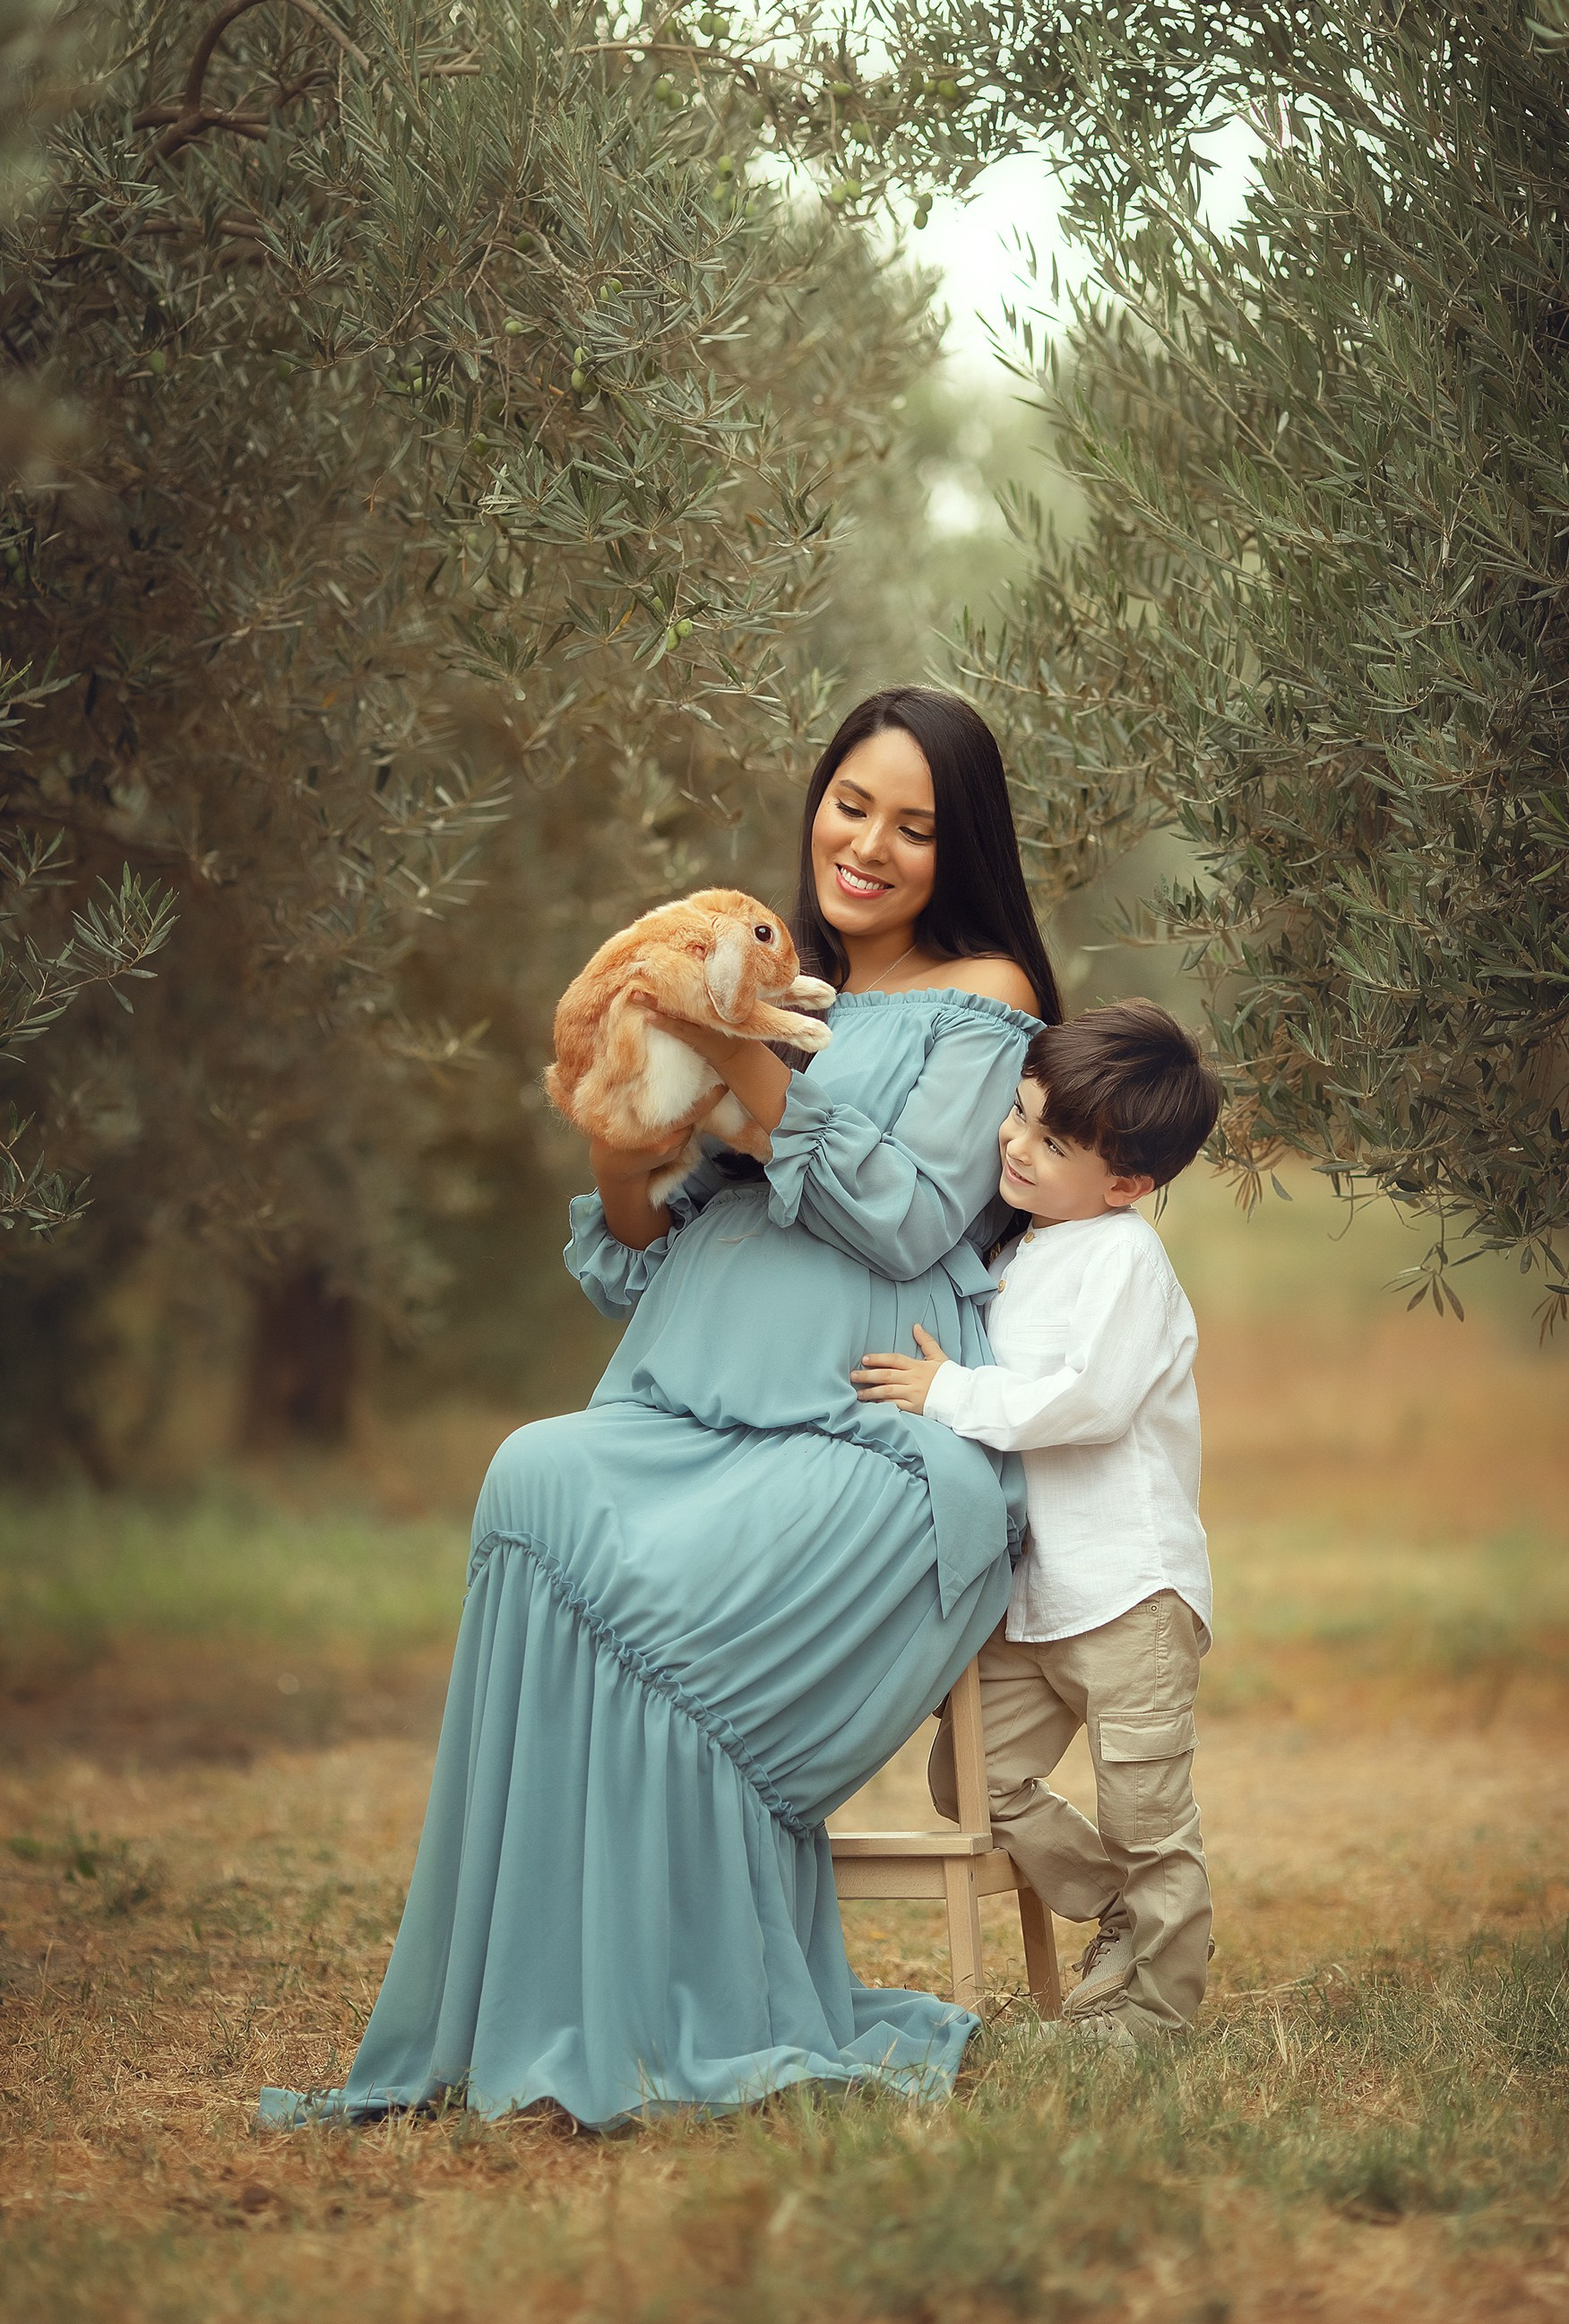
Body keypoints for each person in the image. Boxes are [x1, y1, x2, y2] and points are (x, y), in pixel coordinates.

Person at [259, 687, 1061, 2132]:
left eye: (915, 825)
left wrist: (749, 1059)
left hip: (869, 1430)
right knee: (534, 1476)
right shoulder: (769, 973)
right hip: (686, 1404)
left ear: (963, 848)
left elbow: (902, 1217)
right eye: (850, 803)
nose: (868, 845)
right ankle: (546, 1985)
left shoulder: (984, 997)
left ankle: (683, 1998)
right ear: (814, 800)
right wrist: (628, 1125)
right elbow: (641, 1244)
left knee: (662, 1581)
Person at [851, 1001, 1220, 2050]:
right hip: (1033, 1597)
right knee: (969, 1775)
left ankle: (1157, 2011)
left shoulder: (1122, 1258)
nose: (1014, 1142)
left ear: (1127, 1183)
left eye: (1049, 1141)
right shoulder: (1026, 1243)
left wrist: (945, 1392)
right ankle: (1115, 1907)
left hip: (1127, 1591)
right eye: (1018, 1115)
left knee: (1147, 1810)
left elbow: (1086, 1402)